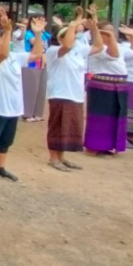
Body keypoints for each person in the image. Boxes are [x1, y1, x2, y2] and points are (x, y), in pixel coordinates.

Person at [0, 15, 45, 183]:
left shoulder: (15, 57)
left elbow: (37, 54)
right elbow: (2, 53)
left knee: (6, 139)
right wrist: (7, 31)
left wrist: (37, 34)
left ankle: (0, 167)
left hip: (14, 106)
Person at [44, 16, 91, 170]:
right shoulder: (53, 51)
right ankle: (53, 158)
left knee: (68, 127)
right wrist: (72, 26)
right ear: (60, 38)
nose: (76, 37)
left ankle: (61, 157)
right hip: (60, 93)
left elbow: (98, 45)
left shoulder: (77, 52)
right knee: (57, 126)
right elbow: (68, 45)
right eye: (71, 34)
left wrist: (94, 27)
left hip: (75, 94)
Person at [84, 20, 131, 155]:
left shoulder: (117, 46)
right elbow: (113, 55)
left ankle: (107, 146)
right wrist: (99, 32)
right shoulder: (97, 49)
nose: (112, 33)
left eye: (112, 31)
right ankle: (93, 147)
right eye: (108, 31)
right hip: (101, 86)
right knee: (100, 117)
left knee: (114, 118)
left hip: (119, 85)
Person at [21, 15, 50, 122]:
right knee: (31, 88)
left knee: (41, 89)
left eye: (43, 19)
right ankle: (28, 113)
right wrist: (38, 32)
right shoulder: (29, 33)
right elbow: (35, 43)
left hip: (43, 61)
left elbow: (49, 42)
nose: (42, 21)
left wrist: (41, 31)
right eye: (39, 19)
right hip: (32, 62)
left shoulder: (44, 34)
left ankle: (38, 113)